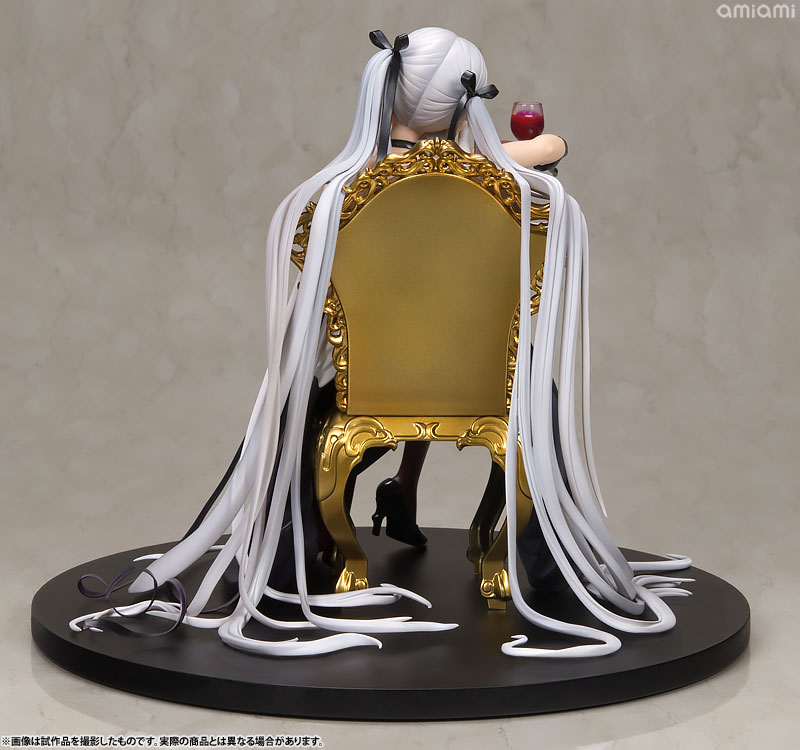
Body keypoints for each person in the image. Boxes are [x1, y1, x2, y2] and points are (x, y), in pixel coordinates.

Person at [70, 27, 692, 658]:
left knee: (306, 402)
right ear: (467, 104)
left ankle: (294, 554)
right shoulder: (503, 184)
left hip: (373, 379)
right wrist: (538, 144)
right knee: (539, 397)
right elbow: (545, 149)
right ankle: (551, 568)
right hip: (482, 377)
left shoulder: (342, 189)